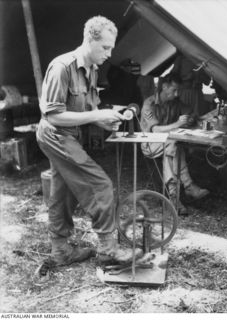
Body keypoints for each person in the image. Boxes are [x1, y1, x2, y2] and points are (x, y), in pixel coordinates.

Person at [36, 15, 141, 266]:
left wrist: (104, 120)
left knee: (62, 193)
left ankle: (60, 251)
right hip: (54, 135)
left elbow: (89, 108)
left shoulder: (93, 69)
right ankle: (107, 249)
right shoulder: (62, 67)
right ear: (89, 41)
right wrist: (95, 115)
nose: (109, 53)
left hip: (70, 135)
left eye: (111, 48)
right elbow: (53, 115)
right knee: (100, 185)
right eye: (105, 47)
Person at [140, 73, 210, 215]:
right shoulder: (149, 104)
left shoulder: (175, 102)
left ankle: (174, 197)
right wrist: (178, 123)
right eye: (174, 90)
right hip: (150, 144)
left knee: (173, 146)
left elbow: (191, 113)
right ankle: (188, 187)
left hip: (168, 145)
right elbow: (156, 130)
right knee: (173, 144)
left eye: (178, 91)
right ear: (164, 87)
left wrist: (189, 119)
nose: (177, 94)